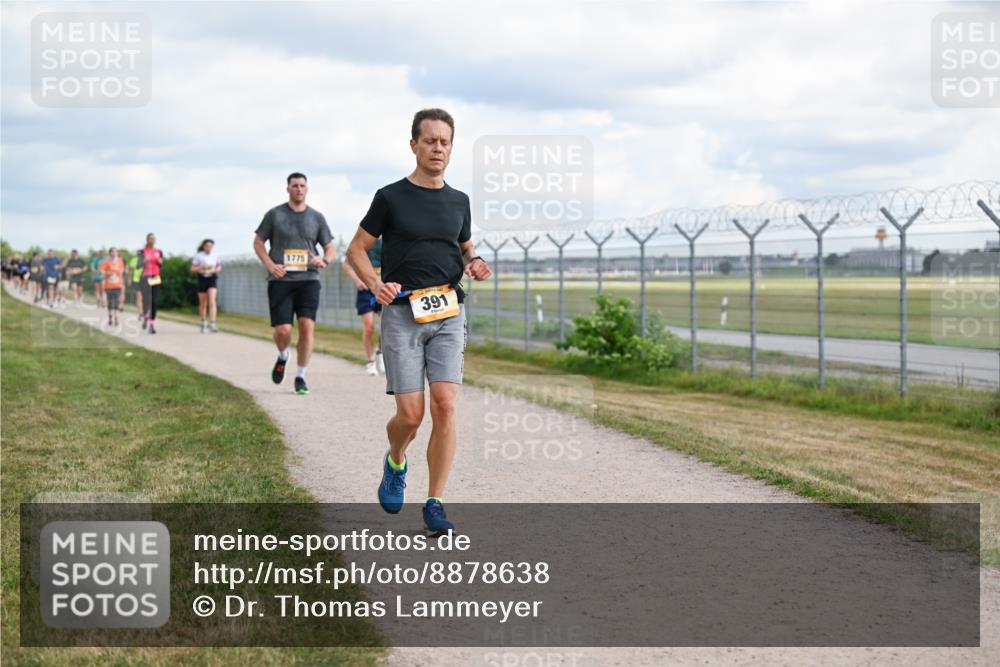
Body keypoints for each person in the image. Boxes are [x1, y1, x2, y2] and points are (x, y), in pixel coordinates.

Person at [347, 108, 492, 537]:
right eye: (429, 140)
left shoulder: (459, 200)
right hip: (403, 314)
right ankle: (396, 460)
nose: (437, 148)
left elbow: (465, 248)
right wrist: (376, 283)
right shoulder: (390, 197)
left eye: (444, 142)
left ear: (451, 147)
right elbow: (356, 250)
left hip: (449, 311)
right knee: (410, 417)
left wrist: (476, 260)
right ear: (413, 145)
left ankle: (435, 503)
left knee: (445, 405)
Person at [253, 172, 336, 395]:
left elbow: (330, 247)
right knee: (283, 330)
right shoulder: (274, 214)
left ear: (307, 189)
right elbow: (259, 242)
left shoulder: (316, 217)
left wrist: (324, 260)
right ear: (287, 189)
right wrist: (271, 265)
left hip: (309, 279)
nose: (299, 189)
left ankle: (300, 377)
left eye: (302, 185)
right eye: (294, 186)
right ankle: (282, 356)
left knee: (307, 328)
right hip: (281, 279)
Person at [343, 237, 384, 375]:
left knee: (386, 326)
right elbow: (347, 264)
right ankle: (370, 361)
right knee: (369, 327)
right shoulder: (364, 239)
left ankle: (380, 351)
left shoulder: (390, 239)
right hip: (365, 290)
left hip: (383, 289)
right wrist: (357, 280)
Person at [191, 239, 222, 333]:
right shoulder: (199, 256)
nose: (209, 248)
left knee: (212, 301)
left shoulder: (215, 255)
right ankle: (203, 321)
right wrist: (201, 267)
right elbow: (192, 268)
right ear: (204, 246)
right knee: (203, 303)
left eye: (210, 246)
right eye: (207, 246)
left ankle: (213, 323)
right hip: (202, 278)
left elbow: (219, 266)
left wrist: (216, 270)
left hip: (212, 278)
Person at [139, 233, 164, 334]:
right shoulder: (142, 251)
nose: (152, 240)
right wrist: (144, 260)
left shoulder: (159, 251)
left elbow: (161, 264)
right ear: (147, 240)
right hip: (146, 276)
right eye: (151, 238)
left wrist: (160, 261)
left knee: (154, 301)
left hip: (156, 277)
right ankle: (145, 316)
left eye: (154, 238)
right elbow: (138, 265)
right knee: (146, 300)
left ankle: (152, 324)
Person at [100, 247, 127, 326]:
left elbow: (122, 270)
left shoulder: (120, 261)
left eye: (116, 252)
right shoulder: (107, 262)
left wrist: (118, 272)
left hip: (117, 284)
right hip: (108, 285)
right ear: (110, 253)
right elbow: (101, 270)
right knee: (110, 302)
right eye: (113, 252)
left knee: (116, 301)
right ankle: (110, 316)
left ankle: (116, 318)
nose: (114, 253)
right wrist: (107, 273)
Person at [128, 250, 143, 316]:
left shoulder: (146, 260)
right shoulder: (134, 260)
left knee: (142, 297)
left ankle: (142, 312)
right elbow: (131, 270)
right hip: (137, 280)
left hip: (144, 280)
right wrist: (129, 279)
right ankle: (140, 312)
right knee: (139, 297)